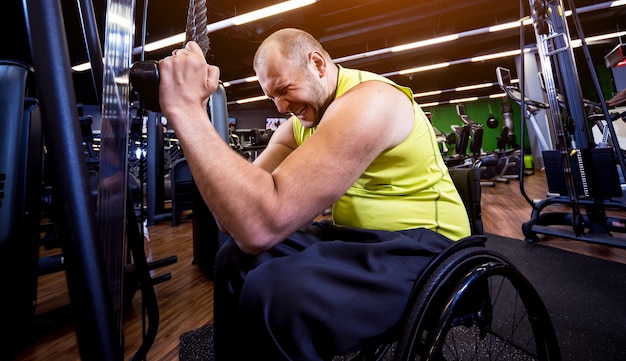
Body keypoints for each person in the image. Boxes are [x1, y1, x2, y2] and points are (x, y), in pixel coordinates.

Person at [158, 27, 471, 360]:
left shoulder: (371, 101)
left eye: (284, 89)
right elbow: (236, 216)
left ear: (318, 64)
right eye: (271, 96)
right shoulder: (299, 125)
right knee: (233, 259)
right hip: (358, 238)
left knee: (278, 294)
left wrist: (186, 111)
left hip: (429, 245)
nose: (280, 106)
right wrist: (198, 111)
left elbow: (259, 225)